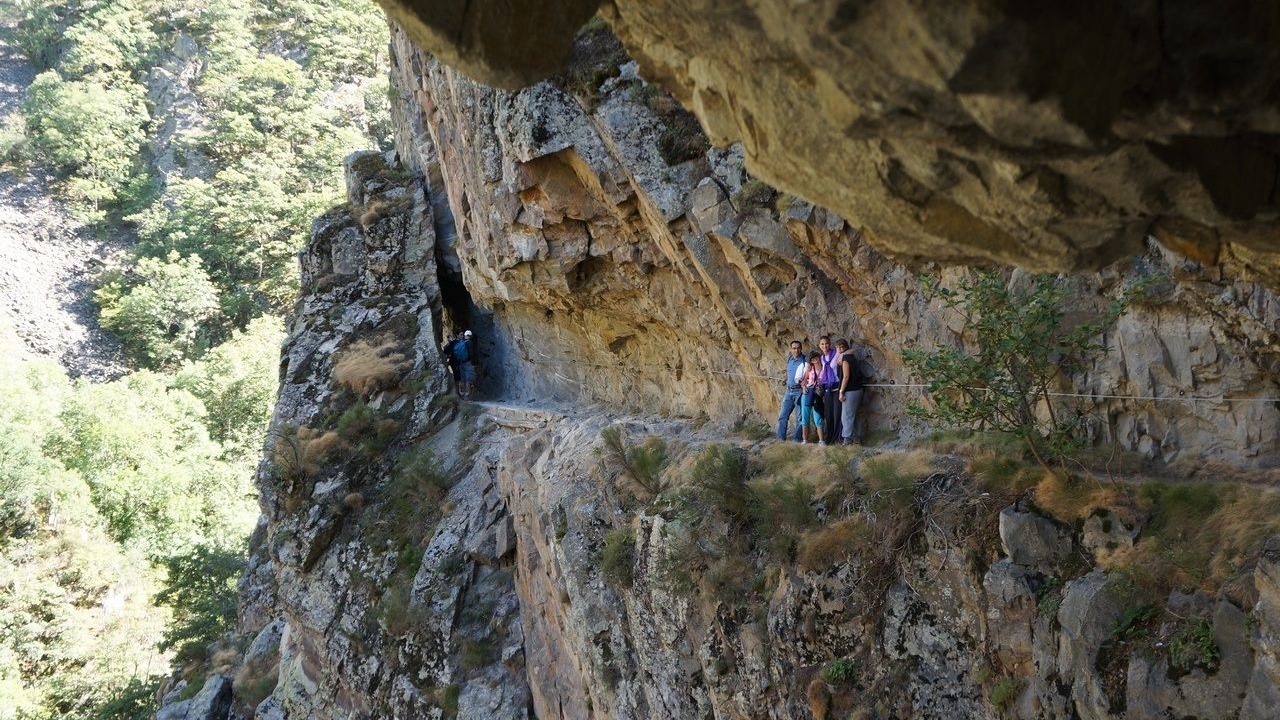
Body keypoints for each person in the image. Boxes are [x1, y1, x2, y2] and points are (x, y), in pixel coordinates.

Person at [776, 340, 807, 441]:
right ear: (790, 349)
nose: (796, 350)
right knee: (783, 416)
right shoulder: (789, 359)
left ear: (801, 349)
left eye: (798, 348)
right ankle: (780, 439)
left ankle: (796, 440)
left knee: (799, 418)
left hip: (799, 391)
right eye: (794, 348)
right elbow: (790, 372)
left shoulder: (805, 360)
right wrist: (786, 380)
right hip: (789, 391)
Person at [836, 339, 863, 445]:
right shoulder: (851, 357)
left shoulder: (846, 358)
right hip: (858, 389)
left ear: (846, 347)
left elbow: (846, 377)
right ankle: (857, 439)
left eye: (841, 347)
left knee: (846, 416)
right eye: (839, 347)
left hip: (850, 390)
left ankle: (847, 439)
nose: (840, 349)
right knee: (854, 415)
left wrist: (841, 391)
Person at [817, 335, 840, 443]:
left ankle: (837, 438)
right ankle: (830, 438)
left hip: (836, 387)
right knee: (828, 415)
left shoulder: (836, 353)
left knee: (836, 414)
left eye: (826, 343)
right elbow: (821, 372)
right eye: (822, 344)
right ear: (819, 345)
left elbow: (849, 351)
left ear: (829, 344)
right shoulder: (821, 358)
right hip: (827, 389)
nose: (824, 346)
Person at [800, 351, 825, 444]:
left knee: (818, 416)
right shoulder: (810, 369)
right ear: (810, 361)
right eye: (812, 358)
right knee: (805, 416)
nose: (815, 359)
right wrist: (803, 386)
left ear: (819, 357)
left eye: (816, 357)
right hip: (808, 393)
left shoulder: (825, 368)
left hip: (818, 394)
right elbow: (804, 380)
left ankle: (821, 440)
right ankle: (805, 440)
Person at [453, 329, 477, 399]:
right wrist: (473, 363)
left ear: (465, 335)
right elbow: (471, 354)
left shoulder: (461, 342)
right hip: (468, 363)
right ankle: (467, 395)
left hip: (461, 362)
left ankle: (461, 393)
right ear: (470, 336)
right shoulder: (469, 343)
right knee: (468, 379)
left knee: (462, 379)